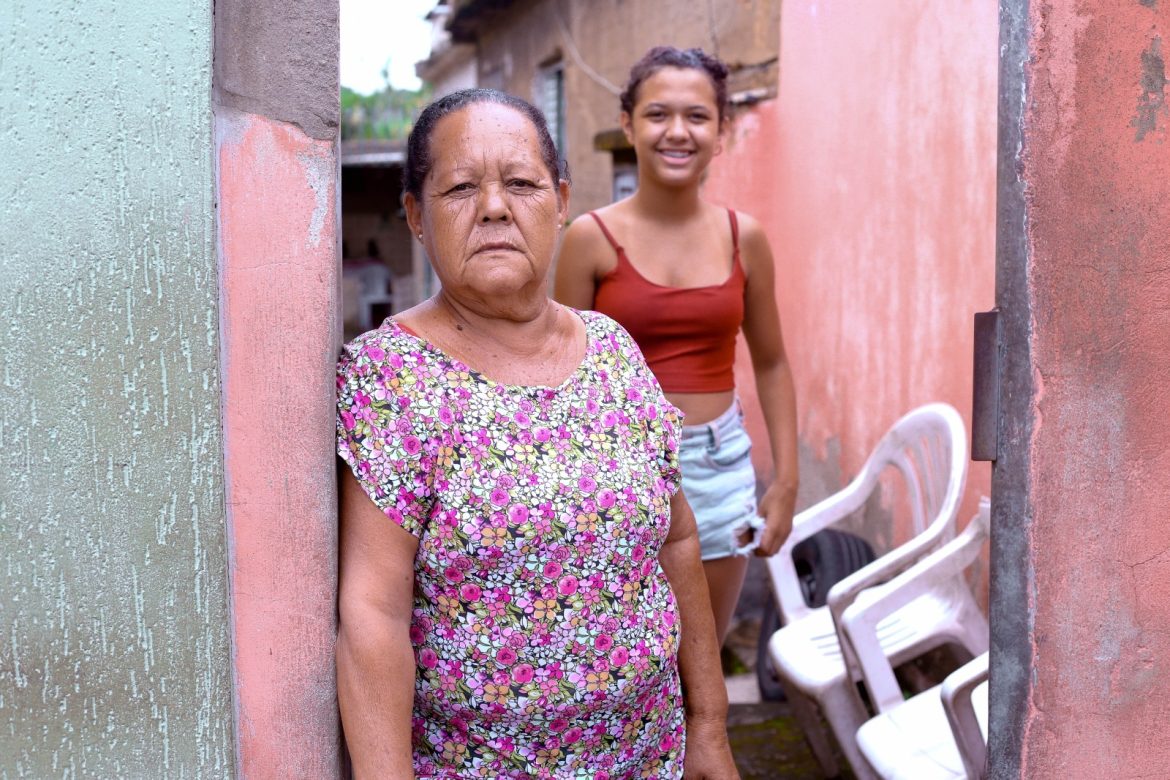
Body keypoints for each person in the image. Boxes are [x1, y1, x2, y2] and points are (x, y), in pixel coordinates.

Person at [336, 88, 739, 779]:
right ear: (415, 216)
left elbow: (676, 539)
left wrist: (708, 725)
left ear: (559, 201)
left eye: (521, 184)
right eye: (461, 188)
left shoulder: (613, 350)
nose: (495, 208)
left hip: (652, 756)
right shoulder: (390, 376)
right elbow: (371, 613)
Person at [554, 47, 798, 645]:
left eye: (697, 116)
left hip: (718, 467)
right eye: (658, 114)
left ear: (722, 131)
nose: (677, 132)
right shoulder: (589, 239)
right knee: (623, 654)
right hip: (617, 466)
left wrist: (785, 482)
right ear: (629, 124)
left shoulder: (747, 239)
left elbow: (771, 362)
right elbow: (558, 374)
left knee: (702, 664)